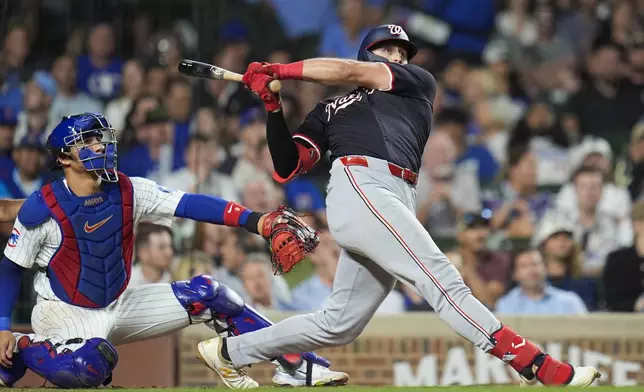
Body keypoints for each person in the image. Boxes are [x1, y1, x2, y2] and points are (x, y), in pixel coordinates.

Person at [207, 24, 600, 388]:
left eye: (401, 51)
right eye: (386, 48)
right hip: (360, 185)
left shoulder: (416, 83)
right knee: (442, 280)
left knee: (338, 324)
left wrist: (283, 70)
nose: (397, 55)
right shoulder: (329, 108)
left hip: (395, 195)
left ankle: (231, 352)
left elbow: (353, 72)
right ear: (367, 52)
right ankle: (533, 364)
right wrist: (273, 107)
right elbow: (288, 165)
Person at [0, 113, 348, 389]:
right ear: (63, 157)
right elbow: (10, 268)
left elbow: (190, 204)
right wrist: (2, 326)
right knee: (88, 366)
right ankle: (22, 346)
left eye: (100, 137)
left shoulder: (129, 189)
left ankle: (293, 365)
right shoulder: (41, 207)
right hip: (63, 313)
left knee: (210, 294)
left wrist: (255, 221)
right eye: (87, 141)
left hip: (120, 303)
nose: (100, 145)